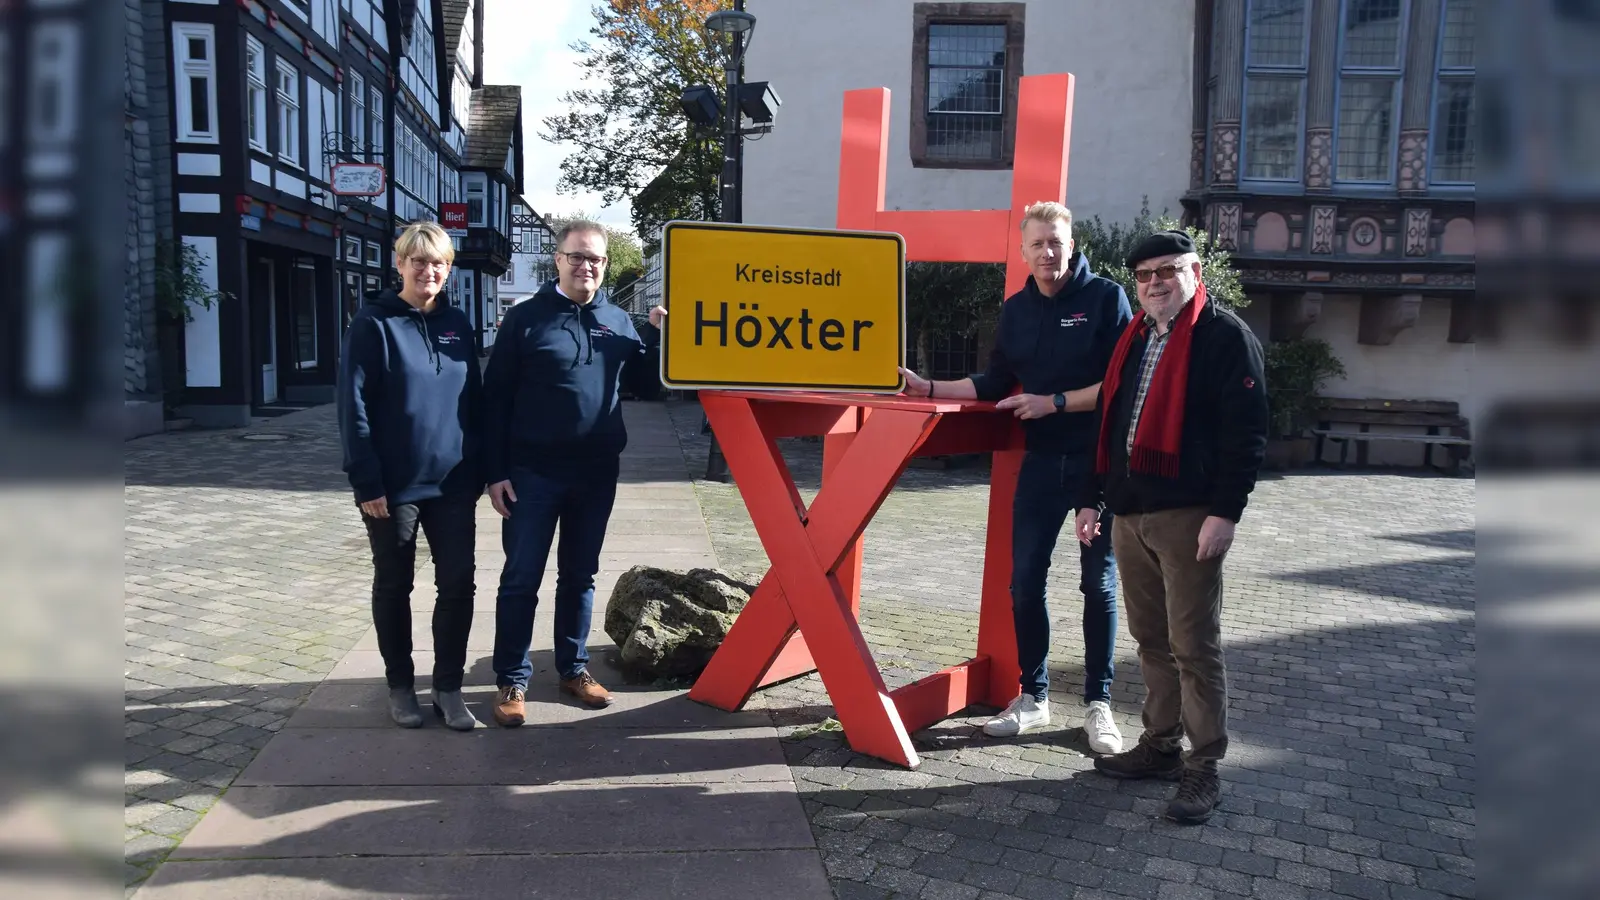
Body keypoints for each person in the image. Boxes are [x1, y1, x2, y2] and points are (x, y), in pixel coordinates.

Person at [898, 201, 1132, 754]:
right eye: (1037, 244)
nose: (1048, 252)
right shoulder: (1017, 309)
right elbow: (994, 382)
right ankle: (1034, 697)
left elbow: (1123, 385)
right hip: (1042, 464)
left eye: (1056, 241)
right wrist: (927, 387)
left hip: (1098, 464)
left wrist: (1054, 401)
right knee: (1024, 581)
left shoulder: (1106, 299)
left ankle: (1099, 705)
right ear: (1023, 251)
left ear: (1071, 243)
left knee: (1097, 584)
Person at [1073, 229, 1268, 824]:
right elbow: (1108, 424)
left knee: (1194, 646)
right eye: (1145, 274)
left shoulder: (1223, 337)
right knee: (1151, 641)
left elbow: (1247, 433)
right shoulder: (1134, 338)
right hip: (1130, 513)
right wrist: (1090, 498)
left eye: (1168, 270)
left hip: (1189, 517)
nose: (1155, 282)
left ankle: (1203, 768)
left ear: (1193, 272)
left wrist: (1225, 512)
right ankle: (1160, 747)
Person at [483, 220, 644, 726]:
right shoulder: (526, 320)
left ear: (605, 264)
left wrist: (664, 334)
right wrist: (495, 471)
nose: (587, 265)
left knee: (580, 575)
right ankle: (512, 677)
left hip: (596, 473)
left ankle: (573, 669)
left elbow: (650, 382)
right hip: (531, 473)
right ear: (558, 260)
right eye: (576, 256)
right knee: (520, 578)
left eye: (595, 258)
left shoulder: (620, 321)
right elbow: (494, 402)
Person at [337, 221, 483, 732]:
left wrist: (483, 469)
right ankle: (400, 685)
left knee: (459, 583)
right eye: (418, 261)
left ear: (449, 269)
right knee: (394, 584)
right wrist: (366, 480)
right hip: (393, 487)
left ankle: (447, 686)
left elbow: (475, 402)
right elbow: (353, 406)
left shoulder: (459, 325)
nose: (428, 270)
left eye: (438, 262)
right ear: (400, 264)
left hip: (453, 483)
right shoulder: (373, 325)